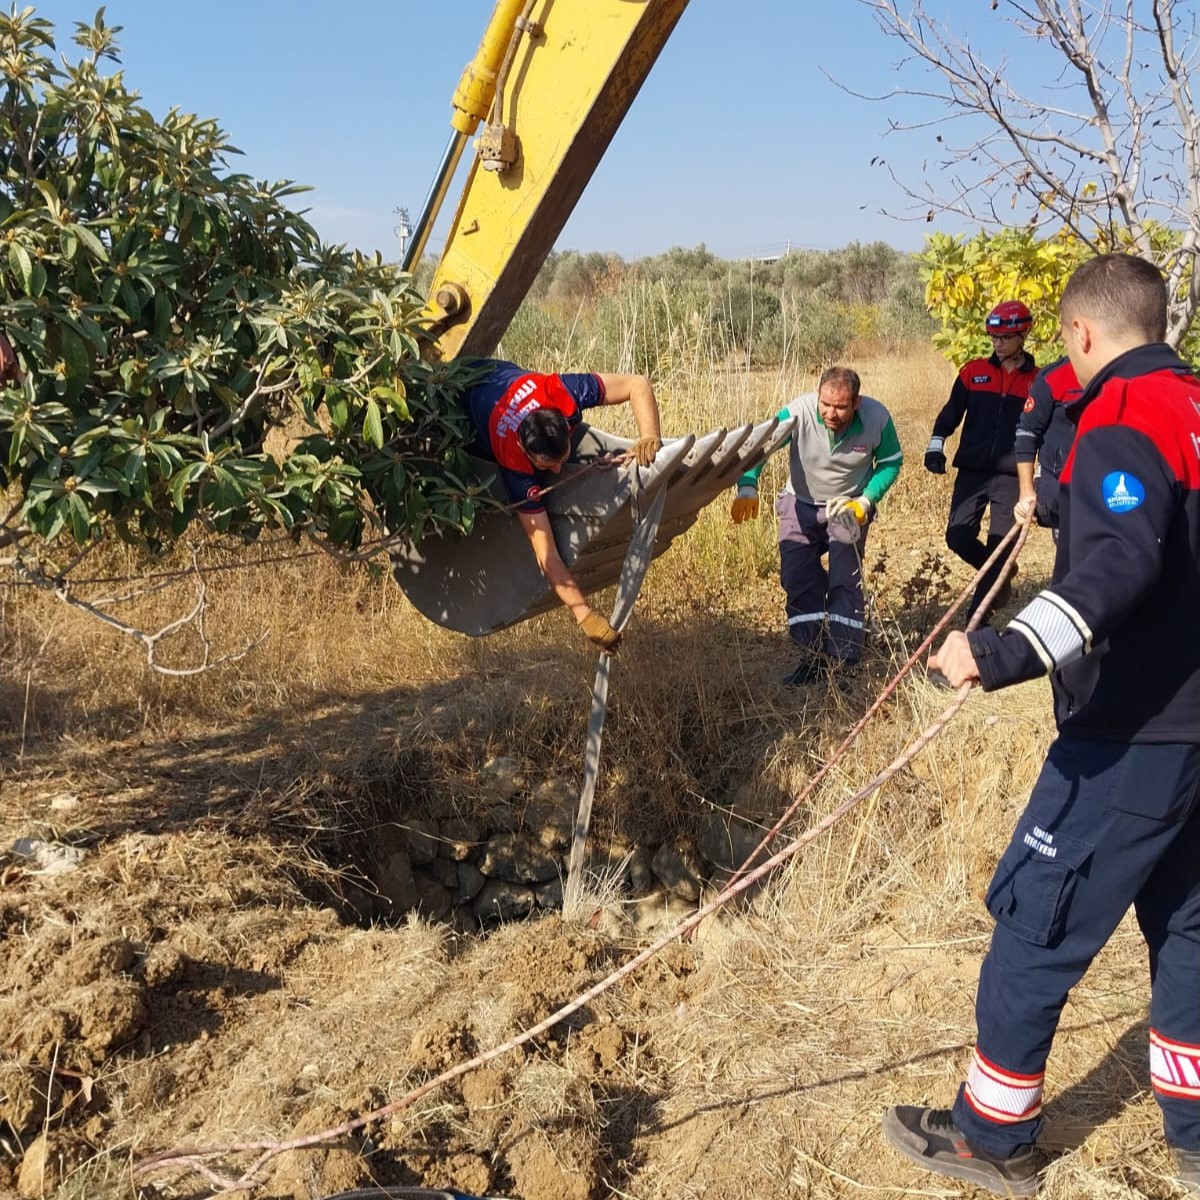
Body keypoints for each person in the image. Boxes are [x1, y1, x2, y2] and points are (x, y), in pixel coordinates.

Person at [884, 254, 1200, 1197]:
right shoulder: (1190, 408)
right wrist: (1055, 499)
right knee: (1190, 930)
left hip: (1131, 735)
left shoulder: (1119, 422)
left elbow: (1119, 570)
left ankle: (992, 1134)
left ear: (1082, 335)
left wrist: (1000, 651)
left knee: (1035, 921)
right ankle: (1191, 1129)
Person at [460, 358, 662, 653]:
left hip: (496, 372)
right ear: (524, 450)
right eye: (547, 465)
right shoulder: (512, 462)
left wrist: (649, 435)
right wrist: (586, 617)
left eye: (562, 460)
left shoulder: (563, 391)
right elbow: (547, 557)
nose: (557, 472)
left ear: (566, 423)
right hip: (464, 400)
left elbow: (637, 384)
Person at [730, 366, 903, 686]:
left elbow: (891, 461)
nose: (831, 413)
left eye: (840, 407)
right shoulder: (798, 411)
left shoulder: (878, 418)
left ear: (856, 403)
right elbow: (761, 445)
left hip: (847, 506)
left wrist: (866, 500)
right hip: (800, 504)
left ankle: (844, 663)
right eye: (826, 404)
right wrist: (748, 485)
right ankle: (812, 657)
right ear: (818, 396)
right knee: (798, 579)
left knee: (844, 580)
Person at [924, 301, 1038, 620]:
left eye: (1005, 337)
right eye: (993, 337)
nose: (998, 343)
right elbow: (949, 415)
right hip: (972, 471)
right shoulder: (973, 373)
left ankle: (976, 624)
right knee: (957, 536)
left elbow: (1044, 428)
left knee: (999, 548)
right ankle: (1001, 573)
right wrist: (936, 446)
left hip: (1013, 476)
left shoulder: (1038, 382)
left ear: (1023, 335)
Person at [1014, 355, 1083, 540]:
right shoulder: (1053, 376)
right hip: (1061, 489)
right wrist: (1027, 491)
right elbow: (1027, 432)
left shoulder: (1124, 372)